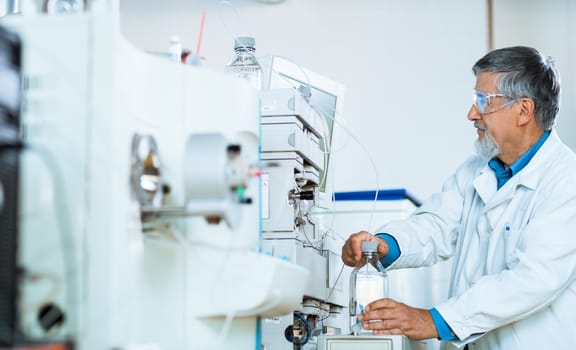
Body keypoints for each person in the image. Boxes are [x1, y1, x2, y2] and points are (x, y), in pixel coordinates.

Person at [341, 46, 576, 350]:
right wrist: (386, 244)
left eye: (483, 102)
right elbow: (437, 224)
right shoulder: (477, 169)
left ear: (523, 110)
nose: (472, 114)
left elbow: (532, 279)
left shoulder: (565, 180)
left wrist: (434, 320)